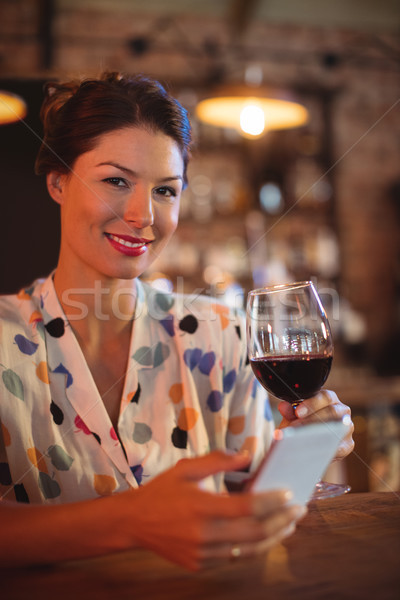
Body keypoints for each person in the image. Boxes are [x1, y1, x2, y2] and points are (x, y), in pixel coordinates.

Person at [0, 72, 354, 570]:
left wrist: (304, 452)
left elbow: (252, 503)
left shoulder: (223, 332)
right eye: (116, 181)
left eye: (166, 190)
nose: (144, 215)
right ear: (58, 182)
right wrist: (129, 520)